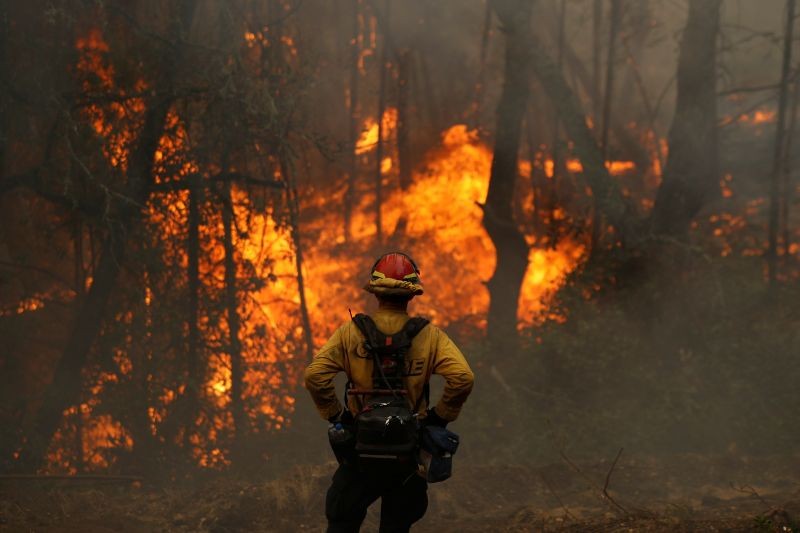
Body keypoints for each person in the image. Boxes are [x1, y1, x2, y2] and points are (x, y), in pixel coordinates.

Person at [304, 251, 475, 533]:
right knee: (397, 524)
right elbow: (463, 378)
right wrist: (438, 418)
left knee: (342, 520)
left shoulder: (351, 333)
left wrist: (338, 416)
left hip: (360, 449)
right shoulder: (429, 336)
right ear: (411, 295)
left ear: (376, 292)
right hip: (408, 453)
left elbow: (314, 375)